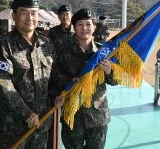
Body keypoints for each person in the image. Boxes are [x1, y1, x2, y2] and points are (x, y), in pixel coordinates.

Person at [0, 0, 55, 149]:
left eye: (34, 13)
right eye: (24, 13)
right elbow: (3, 84)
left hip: (42, 122)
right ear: (14, 16)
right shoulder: (3, 45)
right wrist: (26, 113)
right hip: (14, 126)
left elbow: (53, 76)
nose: (30, 18)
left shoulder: (46, 43)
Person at [49, 8, 118, 149]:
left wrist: (110, 71)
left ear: (94, 27)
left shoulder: (104, 52)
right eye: (80, 25)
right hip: (72, 116)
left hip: (98, 117)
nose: (84, 28)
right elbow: (52, 81)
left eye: (88, 24)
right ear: (74, 28)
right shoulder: (63, 54)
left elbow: (116, 81)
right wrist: (56, 96)